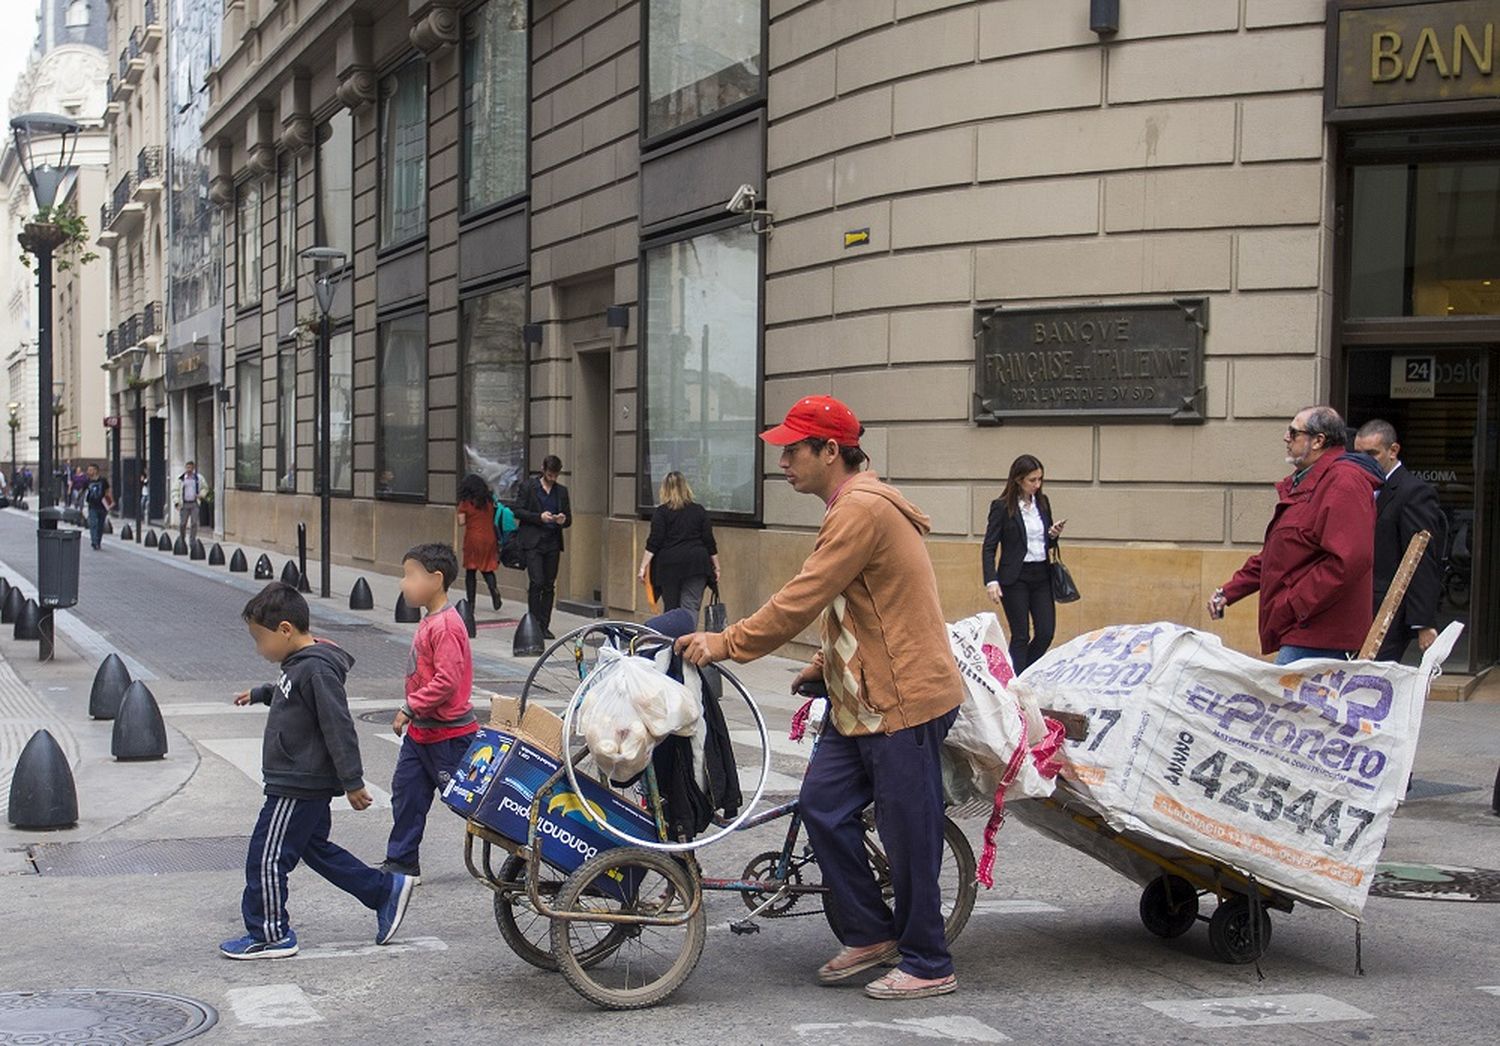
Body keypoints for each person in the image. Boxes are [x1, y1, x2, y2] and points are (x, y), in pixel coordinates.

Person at [676, 395, 963, 1000]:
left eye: (793, 449)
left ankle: (929, 962)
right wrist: (820, 665)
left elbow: (803, 597)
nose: (782, 461)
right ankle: (869, 933)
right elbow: (853, 603)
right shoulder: (848, 505)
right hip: (861, 696)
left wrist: (725, 642)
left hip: (903, 697)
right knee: (823, 805)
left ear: (831, 450)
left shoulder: (860, 508)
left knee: (908, 832)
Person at [223, 582, 414, 959]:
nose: (259, 649)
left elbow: (337, 724)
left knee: (266, 857)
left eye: (260, 639)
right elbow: (290, 691)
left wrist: (353, 781)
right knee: (315, 849)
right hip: (297, 778)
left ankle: (270, 933)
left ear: (285, 630)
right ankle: (382, 891)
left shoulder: (316, 670)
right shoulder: (298, 665)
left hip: (297, 783)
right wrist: (262, 693)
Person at [1209, 406, 1382, 664]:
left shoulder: (1344, 481)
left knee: (1280, 701)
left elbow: (1349, 560)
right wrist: (1230, 591)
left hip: (1321, 634)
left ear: (1318, 441)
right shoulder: (1308, 481)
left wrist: (1294, 604)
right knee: (1284, 702)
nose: (1285, 438)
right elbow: (1279, 553)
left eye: (1293, 432)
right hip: (1303, 629)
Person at [384, 543, 478, 881]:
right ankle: (402, 862)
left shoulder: (447, 626)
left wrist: (410, 706)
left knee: (473, 803)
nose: (403, 583)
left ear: (436, 579)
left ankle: (524, 851)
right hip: (422, 733)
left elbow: (447, 681)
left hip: (450, 736)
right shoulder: (430, 621)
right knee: (407, 794)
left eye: (410, 575)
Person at [1352, 420, 1445, 662]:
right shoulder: (1358, 487)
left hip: (1389, 610)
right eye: (1359, 454)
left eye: (1372, 454)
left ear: (1393, 451)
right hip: (1358, 605)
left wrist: (1423, 622)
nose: (1365, 461)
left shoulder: (1413, 492)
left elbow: (1420, 556)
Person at [981, 454, 1066, 673]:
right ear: (1018, 479)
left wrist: (1053, 534)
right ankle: (1016, 686)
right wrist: (991, 580)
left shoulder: (1043, 503)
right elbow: (989, 546)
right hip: (1015, 577)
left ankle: (1019, 675)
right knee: (1021, 635)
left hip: (1042, 575)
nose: (1037, 485)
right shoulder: (1001, 507)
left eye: (1040, 480)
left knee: (1046, 632)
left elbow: (1046, 540)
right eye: (1032, 480)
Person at [638, 471, 720, 622]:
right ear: (686, 488)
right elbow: (709, 541)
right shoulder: (699, 511)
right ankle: (688, 644)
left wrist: (643, 567)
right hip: (697, 564)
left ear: (664, 490)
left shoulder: (661, 513)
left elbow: (654, 542)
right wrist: (716, 566)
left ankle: (674, 643)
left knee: (672, 609)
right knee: (691, 607)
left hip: (669, 566)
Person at [513, 455, 570, 639]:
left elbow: (569, 519)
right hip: (533, 542)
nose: (552, 478)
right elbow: (518, 510)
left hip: (552, 542)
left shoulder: (561, 492)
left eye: (555, 475)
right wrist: (539, 517)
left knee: (548, 584)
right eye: (550, 474)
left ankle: (545, 625)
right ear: (543, 469)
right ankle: (534, 623)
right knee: (536, 581)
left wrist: (562, 519)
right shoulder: (529, 487)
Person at [455, 474, 502, 614]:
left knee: (471, 570)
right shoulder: (488, 501)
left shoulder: (466, 503)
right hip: (489, 538)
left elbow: (461, 522)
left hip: (473, 539)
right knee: (487, 568)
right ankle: (494, 591)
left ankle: (471, 603)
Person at [174, 461, 204, 544]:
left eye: (190, 468)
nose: (189, 469)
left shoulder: (198, 478)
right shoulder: (181, 479)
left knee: (194, 523)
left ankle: (192, 540)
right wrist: (176, 502)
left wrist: (201, 494)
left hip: (194, 503)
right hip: (184, 503)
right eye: (187, 467)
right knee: (183, 523)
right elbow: (175, 491)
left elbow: (205, 488)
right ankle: (182, 538)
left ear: (193, 468)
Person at [84, 464, 111, 551]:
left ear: (95, 471)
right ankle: (94, 542)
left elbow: (108, 491)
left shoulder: (103, 481)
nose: (88, 472)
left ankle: (98, 541)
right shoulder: (87, 481)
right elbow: (84, 492)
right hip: (92, 505)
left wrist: (109, 504)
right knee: (93, 524)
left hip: (102, 506)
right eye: (88, 470)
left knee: (100, 525)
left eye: (90, 470)